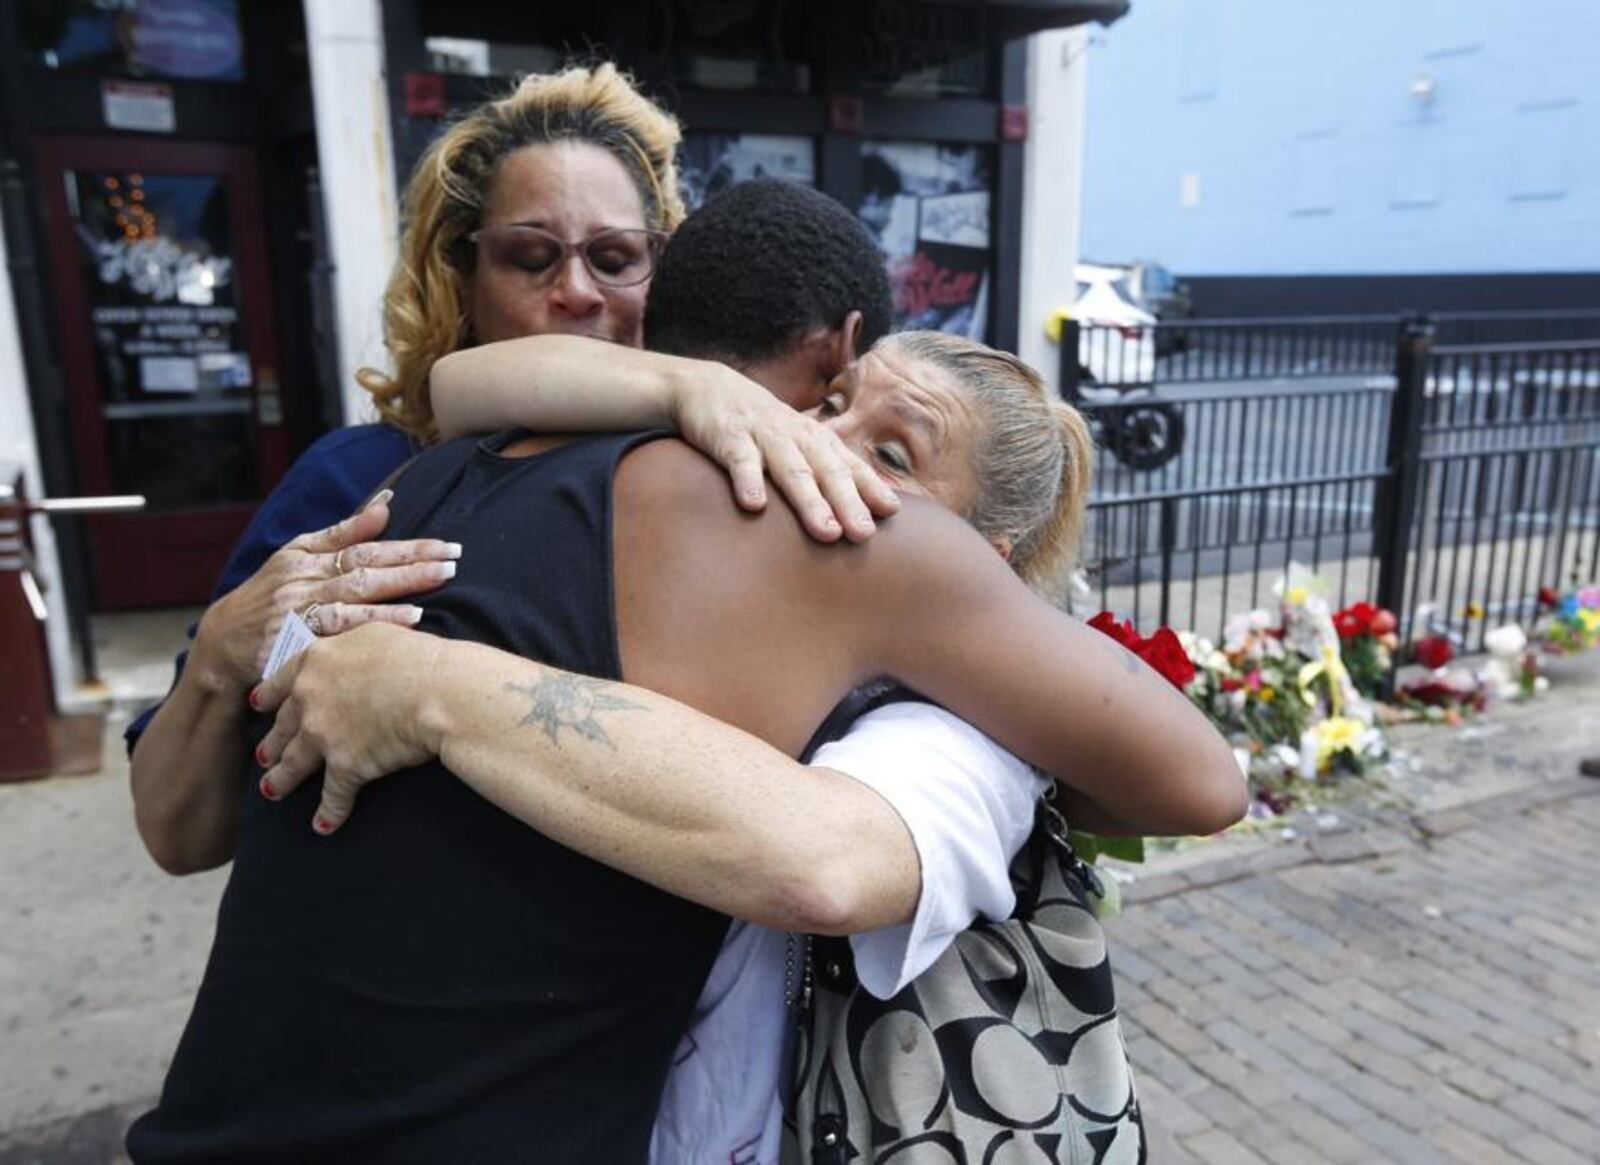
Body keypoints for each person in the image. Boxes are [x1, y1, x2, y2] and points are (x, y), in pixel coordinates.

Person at [126, 180, 1245, 1162]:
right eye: (837, 401)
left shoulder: (487, 473)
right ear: (829, 352)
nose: (828, 444)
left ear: (987, 569)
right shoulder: (667, 483)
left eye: (893, 454)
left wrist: (437, 690)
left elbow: (1194, 783)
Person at [127, 64, 891, 877]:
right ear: (462, 278)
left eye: (614, 256)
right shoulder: (367, 474)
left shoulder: (723, 478)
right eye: (530, 257)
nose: (575, 291)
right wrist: (218, 655)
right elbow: (179, 835)